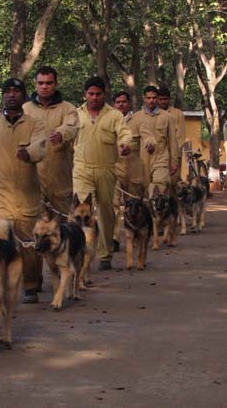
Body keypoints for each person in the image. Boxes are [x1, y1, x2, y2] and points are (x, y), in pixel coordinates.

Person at [0, 78, 46, 304]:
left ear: (24, 96)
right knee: (1, 231)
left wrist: (29, 153)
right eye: (7, 91)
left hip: (27, 195)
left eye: (16, 91)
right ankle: (2, 282)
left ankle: (31, 284)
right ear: (3, 96)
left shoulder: (35, 124)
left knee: (29, 246)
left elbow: (41, 146)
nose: (12, 95)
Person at [73, 77, 131, 270]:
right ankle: (81, 251)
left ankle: (104, 255)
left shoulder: (114, 115)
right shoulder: (75, 114)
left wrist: (124, 144)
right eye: (91, 94)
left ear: (104, 95)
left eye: (98, 94)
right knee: (82, 210)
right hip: (81, 168)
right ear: (85, 94)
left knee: (106, 210)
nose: (94, 97)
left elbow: (124, 133)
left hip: (106, 168)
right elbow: (66, 131)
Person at [23, 67, 78, 214]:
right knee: (35, 227)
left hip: (60, 180)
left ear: (56, 84)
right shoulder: (25, 110)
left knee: (64, 226)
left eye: (48, 83)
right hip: (34, 180)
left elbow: (72, 126)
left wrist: (62, 133)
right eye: (41, 83)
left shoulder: (67, 108)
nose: (44, 86)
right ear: (35, 84)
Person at [112, 91, 145, 252]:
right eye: (117, 102)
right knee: (114, 205)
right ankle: (114, 238)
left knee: (134, 205)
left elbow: (149, 136)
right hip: (115, 168)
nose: (121, 105)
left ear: (129, 104)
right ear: (114, 104)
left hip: (134, 169)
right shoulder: (109, 119)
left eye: (124, 102)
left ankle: (137, 235)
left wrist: (150, 144)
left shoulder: (139, 119)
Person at [136, 86, 179, 196]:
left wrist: (174, 161)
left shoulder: (167, 117)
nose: (151, 100)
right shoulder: (137, 117)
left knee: (160, 185)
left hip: (161, 157)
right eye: (148, 98)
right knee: (144, 190)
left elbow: (173, 142)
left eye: (154, 98)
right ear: (144, 98)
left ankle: (160, 210)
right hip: (142, 159)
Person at [157, 87, 186, 184]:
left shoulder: (177, 114)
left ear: (169, 99)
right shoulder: (153, 114)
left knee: (173, 181)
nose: (163, 102)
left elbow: (180, 136)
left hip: (173, 154)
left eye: (165, 99)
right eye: (160, 99)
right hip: (157, 154)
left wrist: (175, 154)